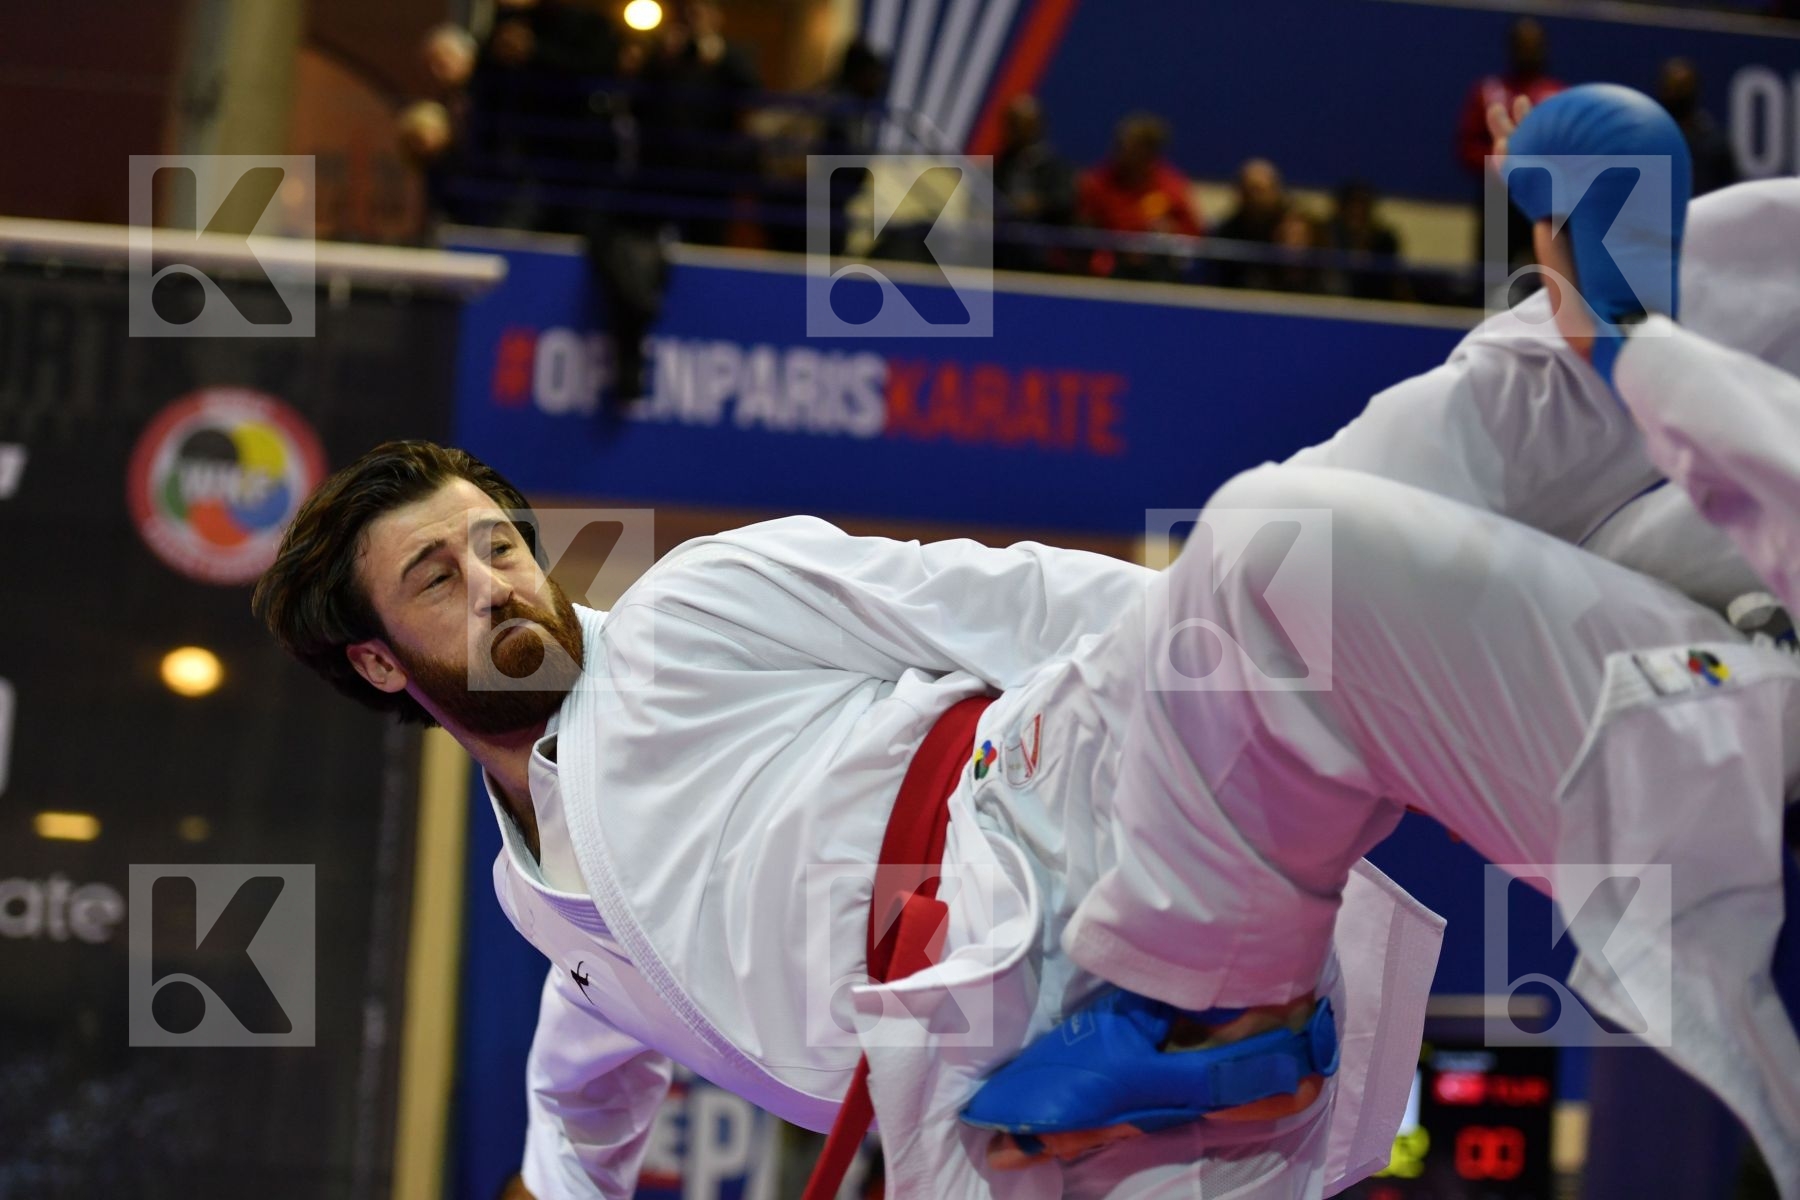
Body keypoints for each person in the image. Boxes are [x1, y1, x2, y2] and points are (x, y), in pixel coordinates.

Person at [1455, 18, 1564, 279]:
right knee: (1494, 280)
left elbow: (1571, 153)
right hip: (1498, 197)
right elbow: (1467, 145)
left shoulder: (1561, 96)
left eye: (1535, 45)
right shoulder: (1488, 91)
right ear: (1511, 48)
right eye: (1522, 45)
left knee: (1550, 275)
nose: (1529, 51)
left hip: (1545, 198)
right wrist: (1502, 162)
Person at [1076, 112, 1203, 281]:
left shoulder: (1171, 187)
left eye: (1128, 146)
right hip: (1107, 268)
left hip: (1157, 270)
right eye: (1119, 145)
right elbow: (1083, 229)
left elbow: (1193, 236)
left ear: (1150, 152)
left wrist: (1171, 232)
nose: (1120, 151)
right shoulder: (1098, 183)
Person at [991, 95, 1077, 273]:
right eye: (1011, 124)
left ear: (1036, 126)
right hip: (1001, 242)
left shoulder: (1054, 165)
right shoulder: (1001, 164)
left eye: (1021, 124)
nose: (1014, 130)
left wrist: (1037, 203)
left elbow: (1065, 201)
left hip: (1043, 244)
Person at [1659, 57, 1739, 197]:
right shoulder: (1649, 138)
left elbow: (1728, 194)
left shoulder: (1714, 144)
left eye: (1682, 88)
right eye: (1671, 88)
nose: (1676, 94)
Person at [1212, 157, 1290, 290]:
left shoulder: (1290, 232)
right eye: (1250, 190)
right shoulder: (1225, 233)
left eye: (1261, 190)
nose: (1255, 198)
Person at [1321, 180, 1404, 301]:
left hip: (1374, 301)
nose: (1357, 211)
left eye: (1362, 206)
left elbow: (1392, 280)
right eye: (1352, 205)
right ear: (1342, 207)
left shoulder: (1384, 239)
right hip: (1334, 299)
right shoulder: (1328, 233)